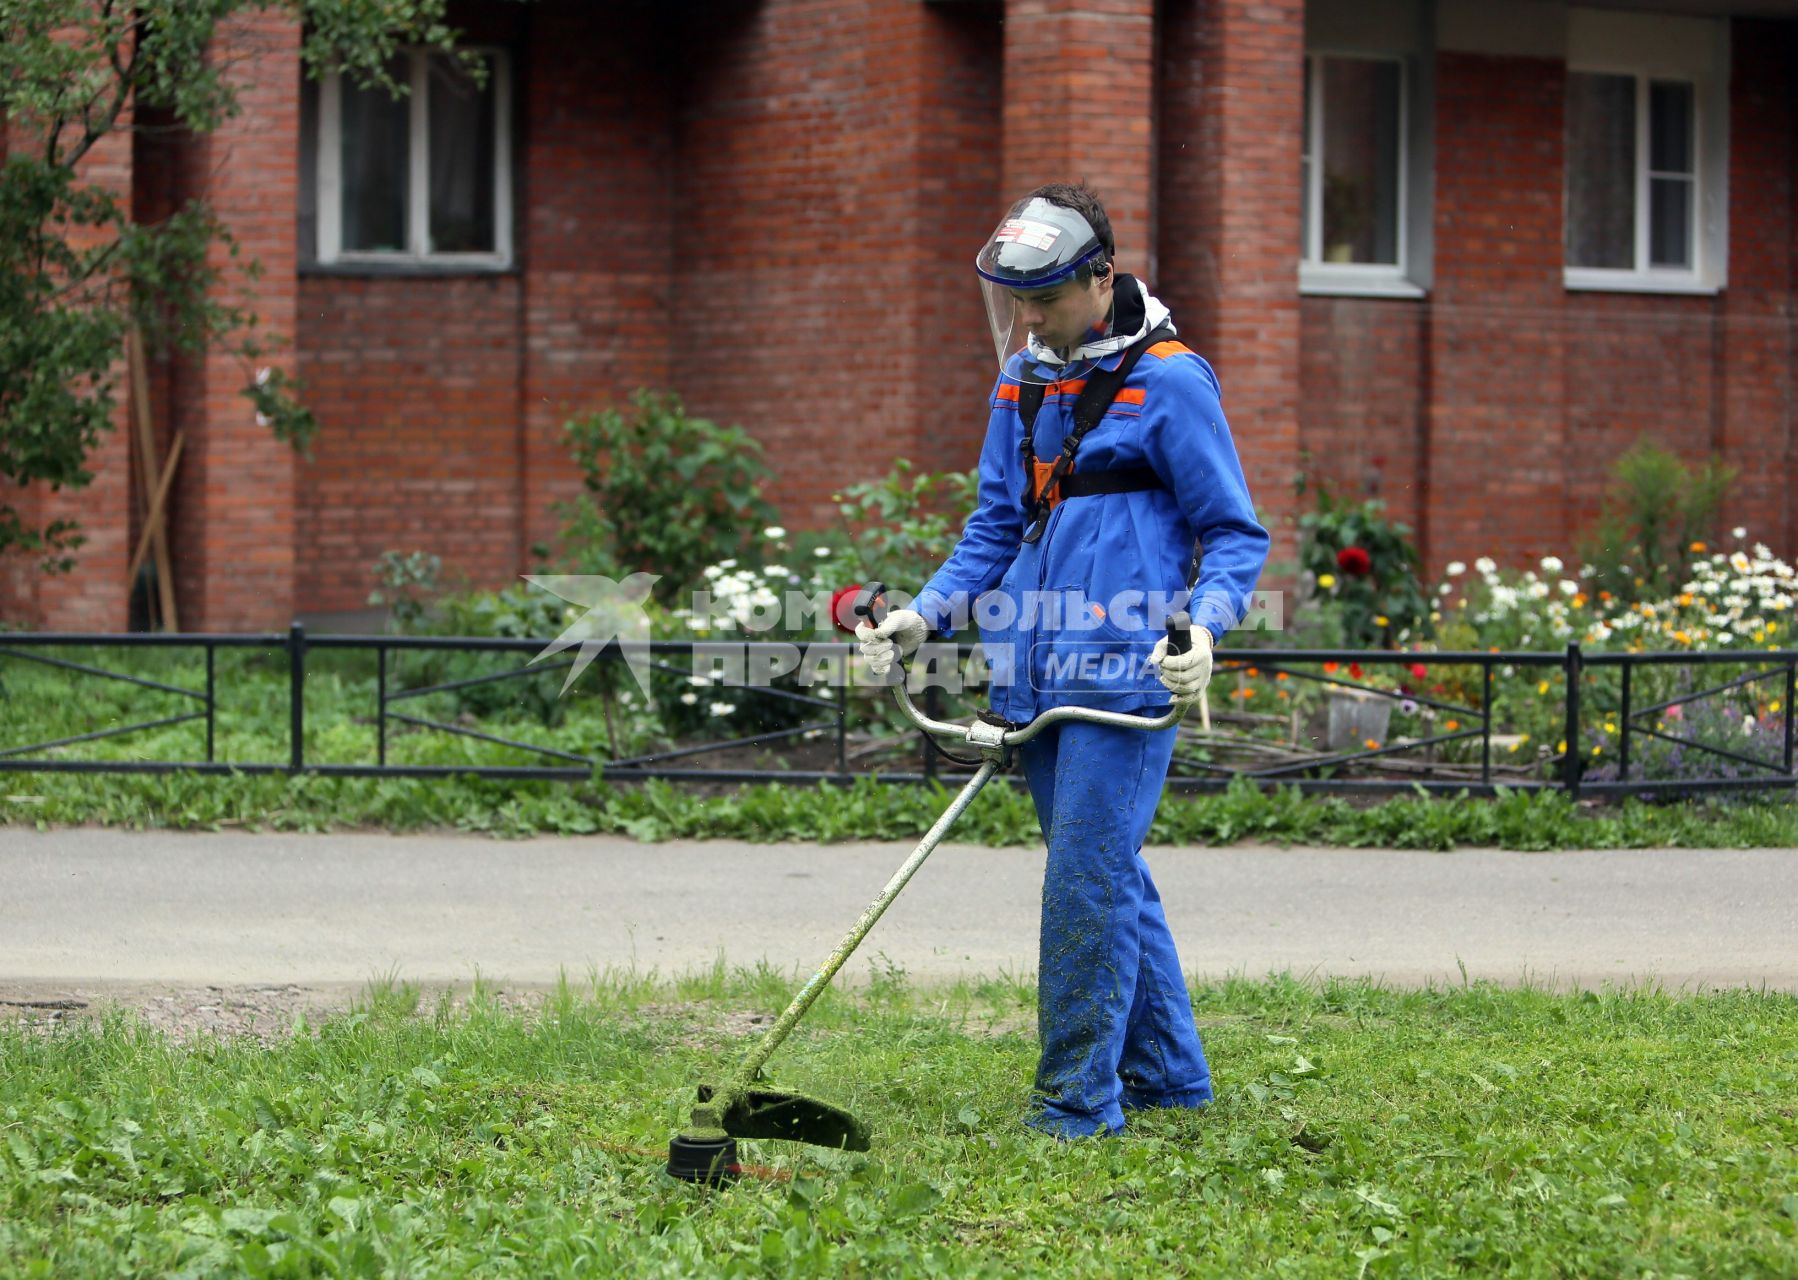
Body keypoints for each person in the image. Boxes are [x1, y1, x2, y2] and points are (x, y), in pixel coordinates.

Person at [857, 183, 1268, 1138]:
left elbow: (1232, 534)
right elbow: (997, 524)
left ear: (1101, 278)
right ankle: (1169, 1077)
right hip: (1031, 678)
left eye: (1041, 299)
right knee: (1106, 871)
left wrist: (1203, 628)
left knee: (1083, 879)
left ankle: (1075, 1105)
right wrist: (925, 614)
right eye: (1012, 301)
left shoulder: (1169, 380)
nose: (1026, 319)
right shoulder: (1024, 382)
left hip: (1125, 679)